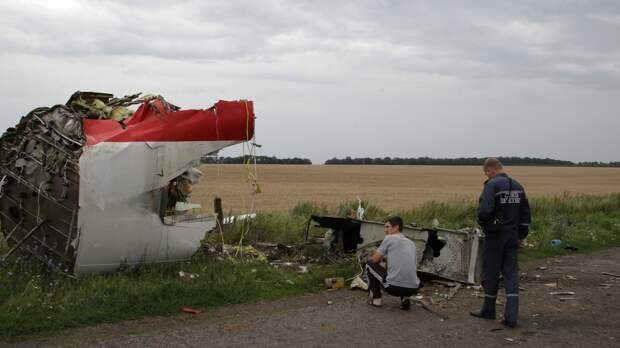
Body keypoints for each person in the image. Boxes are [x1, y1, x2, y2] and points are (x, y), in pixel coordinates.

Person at [470, 158, 531, 328]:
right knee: (511, 273)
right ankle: (511, 316)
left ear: (490, 171)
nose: (487, 176)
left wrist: (481, 221)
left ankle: (488, 310)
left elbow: (485, 210)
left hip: (495, 236)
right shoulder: (518, 186)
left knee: (491, 271)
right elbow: (526, 215)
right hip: (512, 236)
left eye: (486, 173)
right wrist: (521, 235)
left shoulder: (492, 185)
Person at [366, 216, 420, 310]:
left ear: (396, 227)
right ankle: (405, 299)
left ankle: (376, 299)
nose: (385, 230)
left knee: (369, 264)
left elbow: (375, 259)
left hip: (394, 288)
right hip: (413, 288)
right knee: (405, 270)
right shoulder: (411, 243)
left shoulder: (389, 238)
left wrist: (378, 257)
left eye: (387, 227)